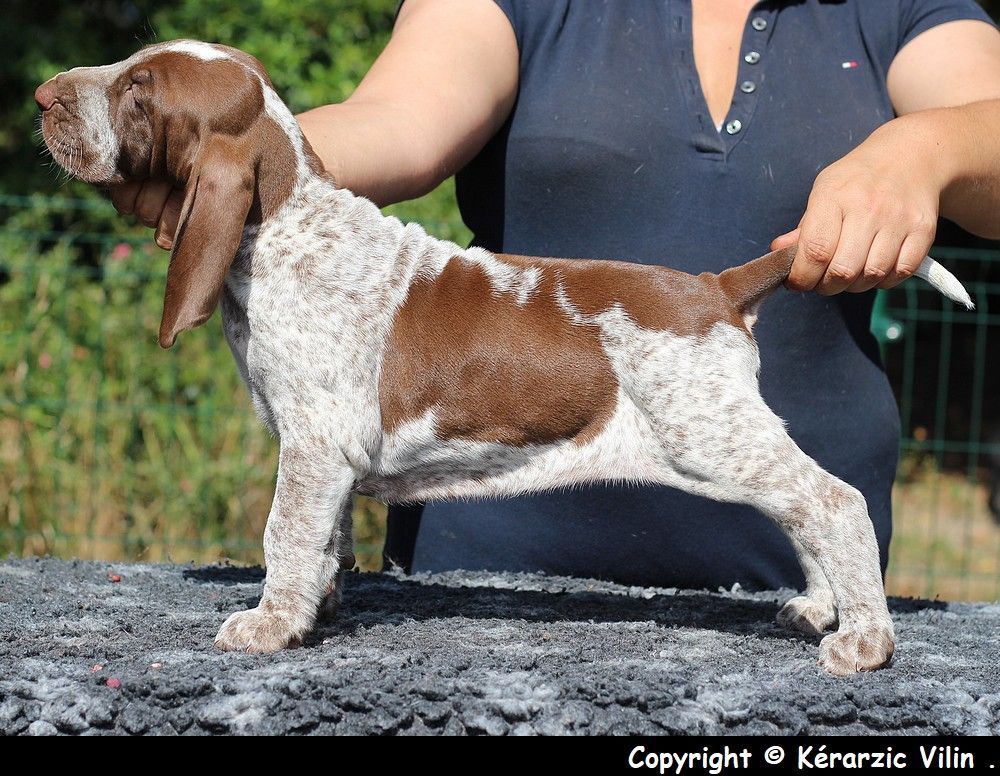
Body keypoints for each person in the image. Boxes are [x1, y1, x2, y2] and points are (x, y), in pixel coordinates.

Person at [112, 0, 1000, 590]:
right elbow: (399, 122)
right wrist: (236, 157)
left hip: (788, 595)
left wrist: (926, 148)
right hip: (487, 591)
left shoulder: (898, 6)